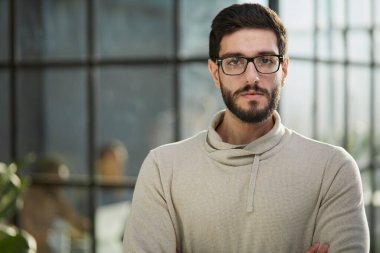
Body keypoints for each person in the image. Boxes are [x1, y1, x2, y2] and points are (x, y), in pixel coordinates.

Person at [123, 3, 369, 253]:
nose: (252, 77)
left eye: (265, 60)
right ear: (215, 72)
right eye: (235, 61)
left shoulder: (333, 169)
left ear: (284, 69)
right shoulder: (162, 169)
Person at [20, 156, 90, 253]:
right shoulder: (26, 199)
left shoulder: (56, 199)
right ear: (47, 175)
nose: (62, 184)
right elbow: (25, 235)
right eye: (58, 179)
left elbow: (76, 220)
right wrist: (52, 236)